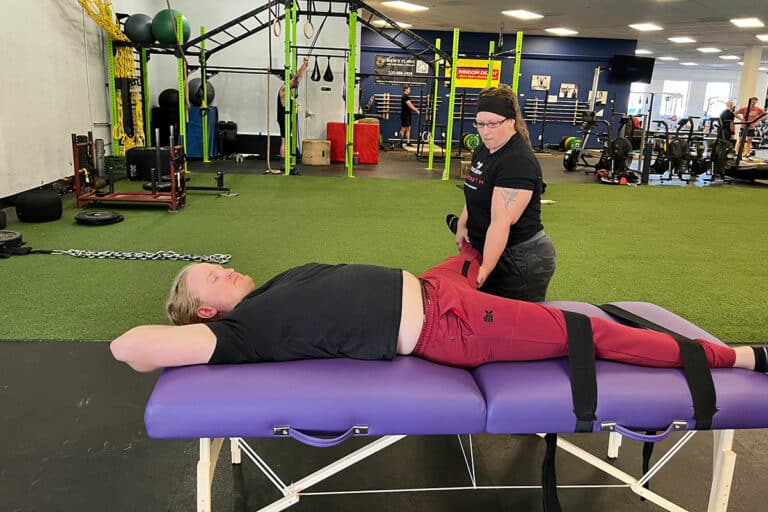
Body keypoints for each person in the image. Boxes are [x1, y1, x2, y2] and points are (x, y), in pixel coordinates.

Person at [110, 243, 766, 376]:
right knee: (588, 332)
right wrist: (190, 338)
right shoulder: (239, 331)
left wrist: (455, 260)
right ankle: (733, 357)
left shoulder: (270, 289)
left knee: (472, 248)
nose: (224, 270)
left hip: (435, 292)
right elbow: (130, 348)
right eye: (211, 278)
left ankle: (469, 249)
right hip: (451, 327)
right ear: (203, 313)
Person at [446, 84, 555, 302]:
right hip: (494, 248)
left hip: (521, 259)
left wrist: (485, 268)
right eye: (480, 124)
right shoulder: (484, 149)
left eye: (493, 124)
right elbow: (475, 189)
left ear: (511, 121)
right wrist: (462, 224)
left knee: (514, 325)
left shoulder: (517, 161)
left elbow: (500, 221)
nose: (485, 131)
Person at [272, 57, 309, 173]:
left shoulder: (288, 89)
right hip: (283, 117)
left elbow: (298, 78)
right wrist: (303, 66)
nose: (296, 82)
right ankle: (284, 164)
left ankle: (285, 163)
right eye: (293, 80)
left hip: (286, 117)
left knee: (286, 140)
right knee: (284, 141)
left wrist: (305, 66)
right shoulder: (284, 88)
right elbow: (297, 77)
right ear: (289, 81)